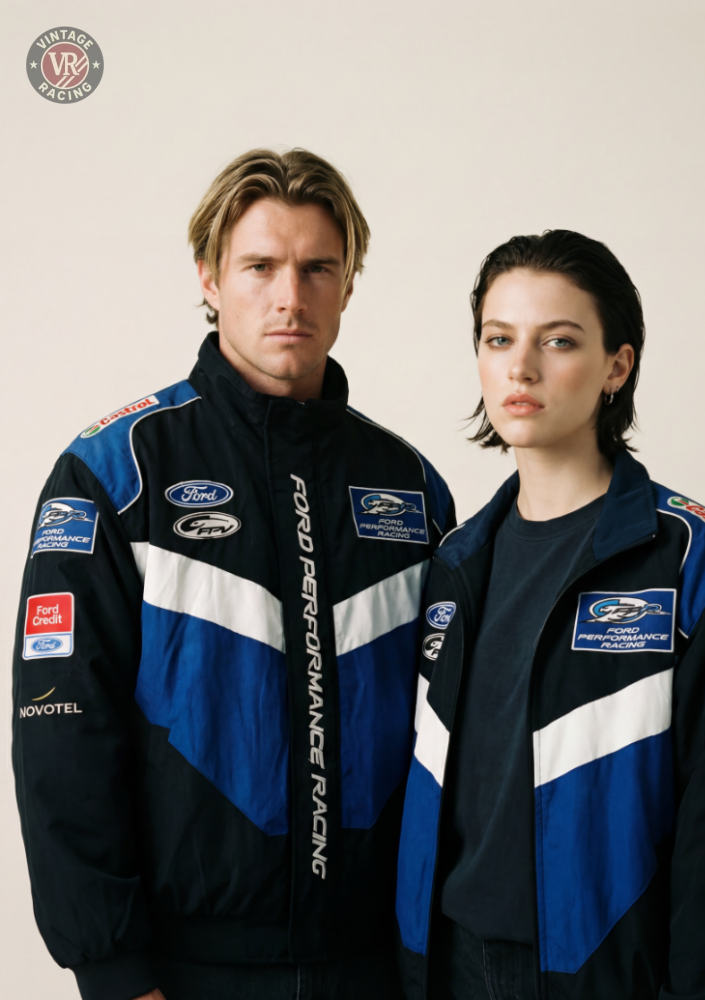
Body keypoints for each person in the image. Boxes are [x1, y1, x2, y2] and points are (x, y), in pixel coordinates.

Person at [12, 148, 455, 1000]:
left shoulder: (411, 488)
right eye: (260, 266)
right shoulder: (116, 473)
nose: (290, 296)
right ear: (210, 278)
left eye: (317, 268)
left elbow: (453, 744)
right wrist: (113, 969)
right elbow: (60, 732)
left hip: (376, 966)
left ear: (348, 285)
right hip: (180, 971)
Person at [395, 231, 705, 1000]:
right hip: (448, 969)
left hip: (604, 977)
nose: (520, 367)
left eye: (558, 340)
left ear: (617, 365)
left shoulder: (692, 563)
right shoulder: (452, 565)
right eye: (498, 339)